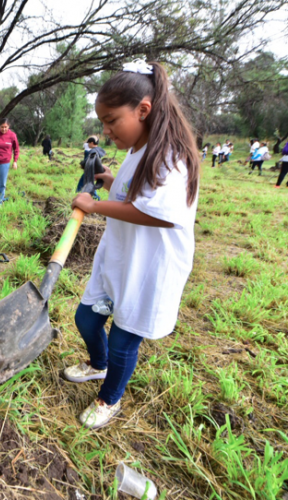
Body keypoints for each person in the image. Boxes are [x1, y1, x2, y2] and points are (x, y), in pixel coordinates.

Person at [67, 60, 200, 430]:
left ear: (143, 110)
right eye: (103, 123)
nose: (106, 131)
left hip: (149, 267)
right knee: (86, 318)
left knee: (124, 338)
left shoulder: (170, 154)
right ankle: (98, 365)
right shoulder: (137, 148)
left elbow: (158, 213)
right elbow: (133, 193)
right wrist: (110, 181)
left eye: (111, 120)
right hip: (121, 257)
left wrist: (94, 205)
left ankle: (109, 398)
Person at [76, 136, 105, 201]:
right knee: (89, 184)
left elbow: (87, 161)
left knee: (86, 184)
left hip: (90, 171)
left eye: (89, 143)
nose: (88, 145)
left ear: (92, 143)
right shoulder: (99, 150)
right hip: (94, 171)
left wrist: (86, 152)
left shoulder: (92, 152)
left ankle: (95, 197)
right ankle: (94, 197)